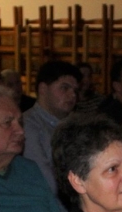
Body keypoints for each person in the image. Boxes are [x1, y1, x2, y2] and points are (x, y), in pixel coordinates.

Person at [23, 60, 81, 198]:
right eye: (64, 88)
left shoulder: (77, 123)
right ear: (43, 89)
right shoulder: (28, 125)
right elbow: (45, 179)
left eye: (75, 91)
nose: (73, 95)